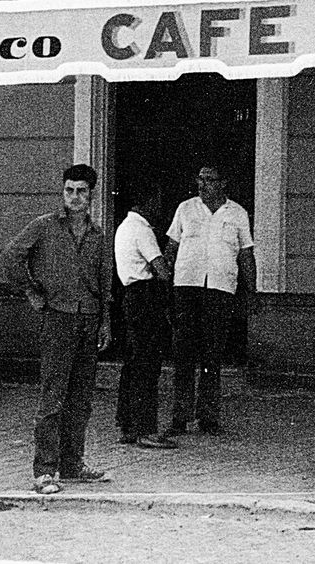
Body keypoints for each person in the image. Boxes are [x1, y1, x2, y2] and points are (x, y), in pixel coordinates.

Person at [2, 163, 114, 495]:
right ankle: (45, 471)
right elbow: (11, 257)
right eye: (69, 190)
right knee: (53, 396)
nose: (74, 197)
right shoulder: (44, 227)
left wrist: (106, 322)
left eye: (81, 191)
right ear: (62, 192)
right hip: (58, 318)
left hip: (89, 319)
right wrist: (32, 290)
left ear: (91, 195)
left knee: (81, 398)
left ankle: (73, 464)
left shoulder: (99, 235)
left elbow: (105, 282)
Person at [165, 164, 255, 436]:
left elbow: (246, 255)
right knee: (183, 354)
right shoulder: (186, 208)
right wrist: (163, 286)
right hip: (187, 287)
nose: (203, 185)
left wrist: (251, 293)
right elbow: (171, 248)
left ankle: (208, 418)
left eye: (210, 180)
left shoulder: (237, 213)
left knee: (212, 355)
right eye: (200, 179)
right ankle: (179, 417)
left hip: (220, 289)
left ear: (223, 182)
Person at [114, 185, 178, 449]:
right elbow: (162, 271)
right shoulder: (142, 230)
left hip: (130, 296)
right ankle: (145, 429)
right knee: (147, 365)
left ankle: (128, 424)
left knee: (133, 362)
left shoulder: (123, 227)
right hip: (145, 297)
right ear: (148, 201)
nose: (159, 210)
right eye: (157, 202)